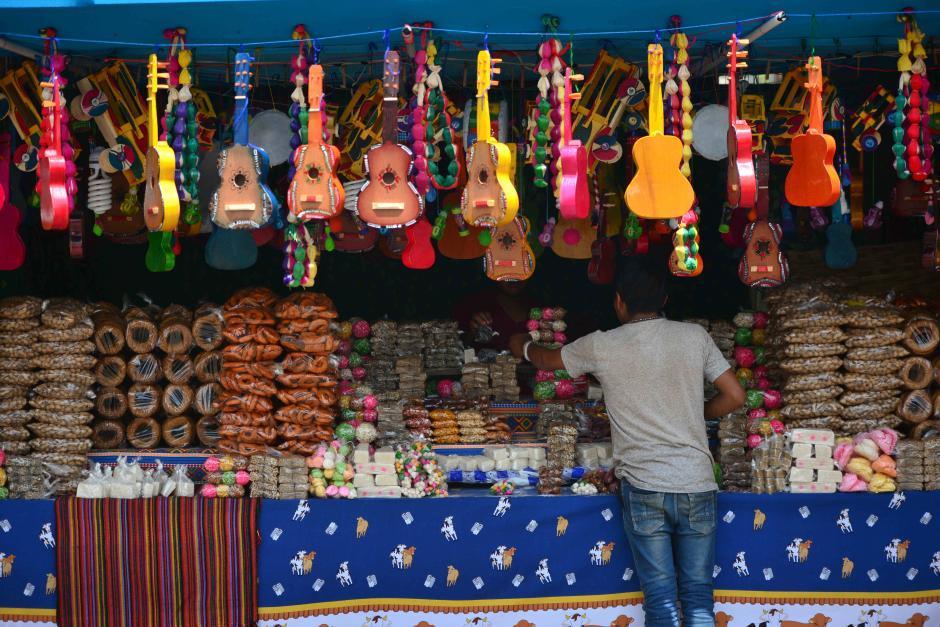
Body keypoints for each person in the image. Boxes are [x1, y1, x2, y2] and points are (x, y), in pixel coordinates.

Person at [509, 255, 745, 627]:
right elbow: (735, 395)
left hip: (645, 484)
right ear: (664, 299)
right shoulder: (694, 337)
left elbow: (546, 360)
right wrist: (691, 413)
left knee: (661, 599)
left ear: (619, 301)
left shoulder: (602, 345)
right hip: (696, 482)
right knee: (699, 596)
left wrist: (522, 346)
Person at [454, 281, 536, 351]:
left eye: (520, 271)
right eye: (506, 271)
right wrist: (472, 333)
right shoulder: (478, 305)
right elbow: (458, 348)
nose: (513, 279)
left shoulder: (539, 310)